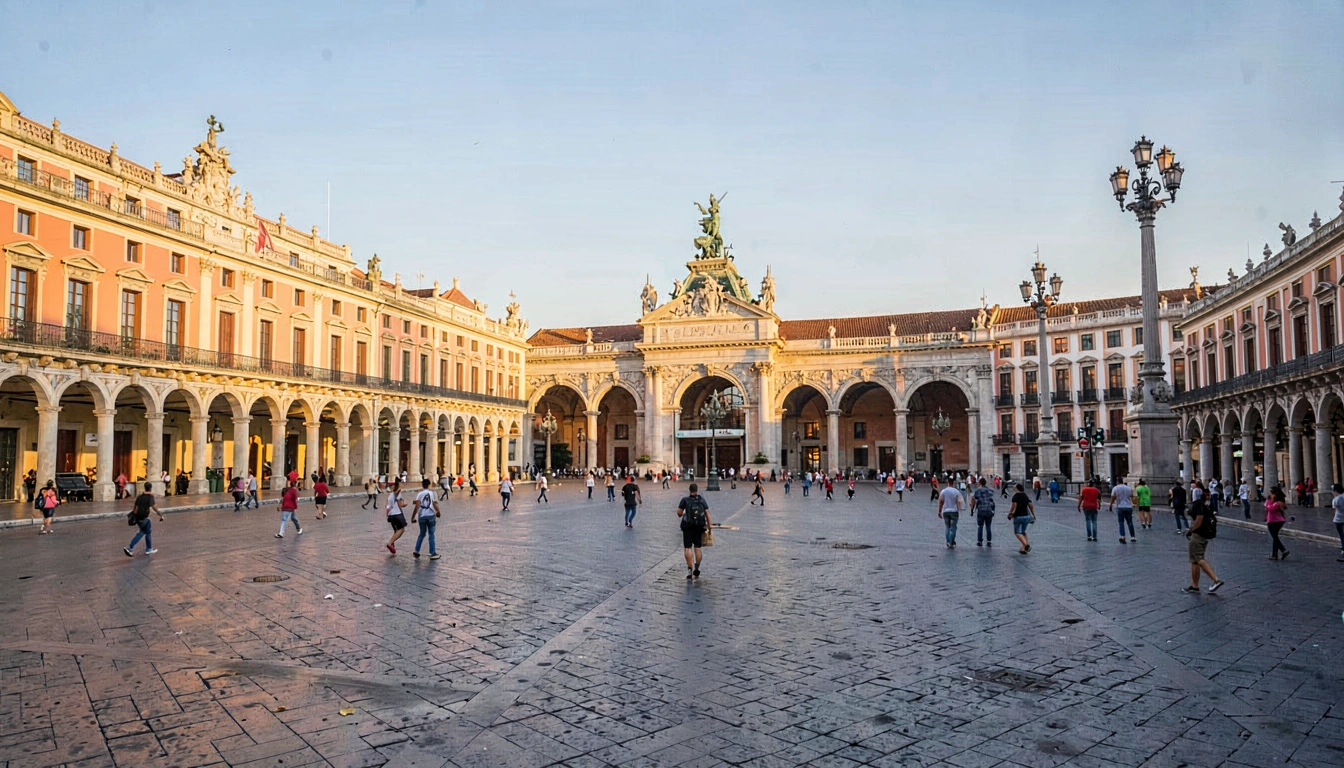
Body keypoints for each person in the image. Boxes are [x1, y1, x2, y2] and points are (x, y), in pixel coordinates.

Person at [1183, 495, 1225, 594]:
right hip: (1204, 535)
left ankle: (1216, 580)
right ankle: (1194, 586)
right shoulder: (1206, 506)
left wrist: (1191, 530)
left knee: (1199, 558)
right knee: (1194, 560)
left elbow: (1199, 519)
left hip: (1198, 535)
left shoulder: (1197, 504)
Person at [676, 483, 712, 579]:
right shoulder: (701, 500)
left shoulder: (685, 500)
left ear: (689, 490)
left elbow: (679, 513)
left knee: (687, 548)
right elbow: (707, 513)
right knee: (697, 547)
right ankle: (697, 567)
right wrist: (709, 527)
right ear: (697, 490)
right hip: (699, 527)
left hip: (687, 527)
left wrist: (683, 513)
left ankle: (689, 569)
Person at [123, 483, 164, 556]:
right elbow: (154, 507)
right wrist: (160, 515)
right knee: (142, 532)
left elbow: (135, 509)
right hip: (144, 518)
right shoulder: (150, 497)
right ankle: (130, 547)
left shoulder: (139, 497)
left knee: (147, 532)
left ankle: (148, 548)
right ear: (150, 488)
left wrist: (135, 516)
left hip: (138, 518)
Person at [412, 478, 441, 560]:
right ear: (429, 485)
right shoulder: (432, 493)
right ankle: (432, 553)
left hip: (422, 516)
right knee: (431, 534)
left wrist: (413, 516)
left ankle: (416, 550)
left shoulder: (419, 494)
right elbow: (434, 503)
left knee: (421, 534)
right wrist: (438, 511)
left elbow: (417, 505)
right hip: (431, 515)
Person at [1006, 482, 1034, 554]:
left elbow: (1013, 506)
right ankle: (1023, 549)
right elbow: (1031, 505)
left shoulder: (1016, 496)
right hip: (1026, 516)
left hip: (1018, 516)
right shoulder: (1025, 495)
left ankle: (1026, 545)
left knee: (1017, 533)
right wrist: (1034, 515)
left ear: (1017, 488)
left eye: (1015, 486)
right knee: (1023, 532)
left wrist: (1010, 513)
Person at [1263, 486, 1289, 560]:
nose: (1270, 494)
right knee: (1275, 537)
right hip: (1277, 520)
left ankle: (1283, 550)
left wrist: (1269, 500)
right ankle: (1275, 554)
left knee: (1275, 537)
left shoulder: (1277, 502)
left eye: (1271, 493)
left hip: (1274, 521)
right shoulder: (1277, 501)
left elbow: (1270, 508)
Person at [938, 480, 964, 548]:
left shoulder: (943, 491)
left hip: (946, 511)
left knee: (947, 527)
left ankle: (948, 541)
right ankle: (951, 542)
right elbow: (960, 501)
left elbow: (941, 501)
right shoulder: (956, 491)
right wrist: (959, 508)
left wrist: (939, 511)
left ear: (948, 483)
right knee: (953, 527)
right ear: (953, 483)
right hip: (954, 511)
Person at [970, 478, 995, 547]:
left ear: (980, 483)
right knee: (988, 526)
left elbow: (973, 500)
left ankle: (979, 541)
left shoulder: (978, 491)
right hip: (989, 510)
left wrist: (972, 510)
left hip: (981, 510)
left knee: (980, 526)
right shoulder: (990, 490)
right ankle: (989, 541)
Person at [1110, 479, 1136, 543]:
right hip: (1128, 506)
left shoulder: (1115, 488)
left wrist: (1111, 504)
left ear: (1117, 482)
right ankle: (1133, 536)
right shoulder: (1129, 488)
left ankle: (1122, 536)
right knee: (1130, 522)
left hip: (1120, 506)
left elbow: (1113, 496)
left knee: (1121, 522)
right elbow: (1132, 496)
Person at [385, 481, 407, 554]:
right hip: (397, 514)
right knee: (401, 530)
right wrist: (405, 504)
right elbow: (401, 505)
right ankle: (390, 543)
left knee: (396, 531)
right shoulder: (398, 495)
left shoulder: (390, 496)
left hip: (391, 515)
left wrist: (388, 515)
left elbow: (388, 507)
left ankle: (392, 545)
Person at [1332, 483, 1344, 561]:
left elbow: (1335, 508)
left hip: (1339, 519)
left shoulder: (1336, 499)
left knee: (1342, 535)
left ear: (1336, 491)